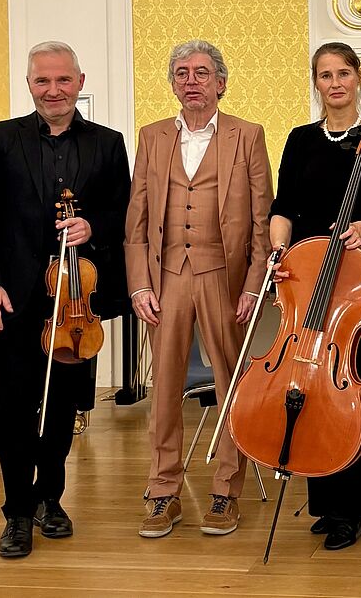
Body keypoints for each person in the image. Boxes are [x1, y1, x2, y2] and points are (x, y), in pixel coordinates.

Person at [0, 41, 130, 557]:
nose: (54, 90)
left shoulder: (107, 143)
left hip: (76, 299)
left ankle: (51, 498)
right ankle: (16, 513)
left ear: (80, 82)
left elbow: (123, 212)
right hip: (17, 294)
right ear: (29, 85)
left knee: (64, 403)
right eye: (43, 81)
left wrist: (94, 226)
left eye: (63, 80)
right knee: (16, 404)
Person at [268, 42, 361, 550]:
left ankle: (356, 503)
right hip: (309, 275)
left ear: (359, 77)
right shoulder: (300, 138)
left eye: (343, 73)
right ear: (316, 82)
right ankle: (327, 497)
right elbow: (283, 205)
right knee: (312, 385)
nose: (334, 83)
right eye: (325, 75)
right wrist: (277, 248)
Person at [125, 40, 273, 538]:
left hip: (223, 276)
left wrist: (254, 286)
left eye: (202, 73)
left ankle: (226, 491)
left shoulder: (247, 136)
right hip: (165, 277)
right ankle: (163, 492)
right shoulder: (151, 137)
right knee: (164, 388)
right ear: (173, 83)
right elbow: (137, 220)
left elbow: (260, 222)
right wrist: (139, 283)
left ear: (220, 82)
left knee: (233, 384)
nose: (192, 81)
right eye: (183, 73)